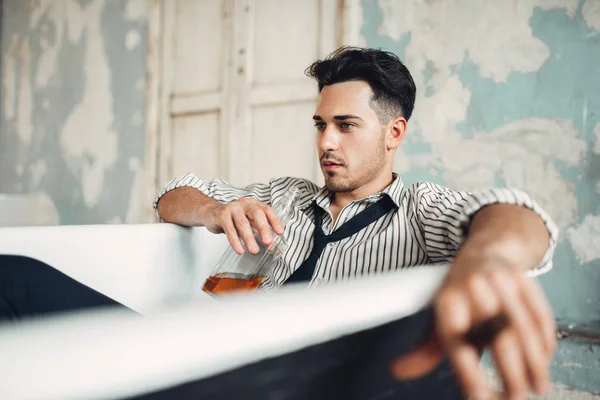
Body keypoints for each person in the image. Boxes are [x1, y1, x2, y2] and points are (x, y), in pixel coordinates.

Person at [155, 47, 559, 400]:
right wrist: (213, 212)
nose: (326, 142)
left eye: (346, 125)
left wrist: (490, 257)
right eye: (320, 125)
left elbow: (514, 214)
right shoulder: (285, 196)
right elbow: (173, 195)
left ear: (393, 133)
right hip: (231, 365)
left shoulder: (418, 209)